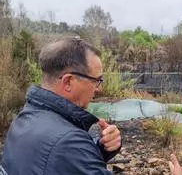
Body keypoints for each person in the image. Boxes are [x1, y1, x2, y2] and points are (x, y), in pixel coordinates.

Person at [1, 38, 121, 174]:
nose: (99, 89)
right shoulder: (69, 143)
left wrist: (100, 148)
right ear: (68, 81)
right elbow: (65, 154)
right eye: (96, 80)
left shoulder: (24, 118)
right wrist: (84, 152)